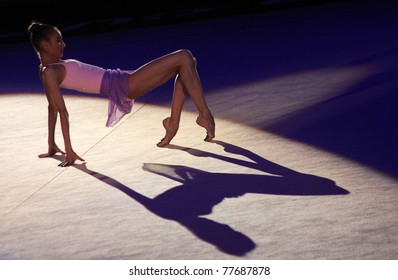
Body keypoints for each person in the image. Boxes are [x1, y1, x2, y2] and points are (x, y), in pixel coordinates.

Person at [27, 21, 215, 167]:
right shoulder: (49, 72)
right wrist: (69, 150)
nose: (64, 44)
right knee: (184, 56)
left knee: (186, 64)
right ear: (44, 45)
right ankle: (203, 116)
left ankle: (174, 123)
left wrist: (51, 144)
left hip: (122, 77)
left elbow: (51, 109)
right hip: (125, 85)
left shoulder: (45, 69)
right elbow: (60, 110)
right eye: (58, 40)